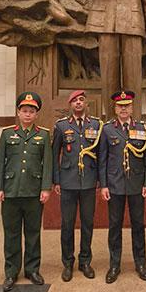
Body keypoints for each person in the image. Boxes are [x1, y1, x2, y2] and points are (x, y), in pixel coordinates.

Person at [0, 91, 52, 292]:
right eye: (24, 110)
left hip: (34, 193)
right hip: (10, 192)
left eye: (31, 111)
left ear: (36, 114)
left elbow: (47, 165)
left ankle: (32, 269)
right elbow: (0, 161)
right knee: (11, 234)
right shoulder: (7, 134)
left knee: (33, 233)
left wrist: (45, 188)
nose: (27, 114)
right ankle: (11, 272)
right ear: (18, 112)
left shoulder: (43, 134)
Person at [98, 90, 146, 283]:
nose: (123, 109)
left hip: (137, 185)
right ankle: (114, 264)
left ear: (132, 108)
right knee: (115, 226)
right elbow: (102, 159)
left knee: (138, 225)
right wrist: (103, 185)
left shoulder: (142, 128)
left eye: (127, 106)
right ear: (115, 108)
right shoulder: (107, 129)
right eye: (120, 106)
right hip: (114, 185)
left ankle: (140, 263)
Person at [52, 89, 103, 282]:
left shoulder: (96, 124)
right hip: (67, 182)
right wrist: (56, 180)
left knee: (88, 223)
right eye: (75, 101)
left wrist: (100, 179)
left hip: (89, 181)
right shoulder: (61, 126)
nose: (79, 103)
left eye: (81, 100)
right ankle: (68, 263)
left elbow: (101, 155)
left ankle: (85, 261)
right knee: (67, 224)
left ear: (86, 103)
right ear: (70, 105)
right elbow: (55, 154)